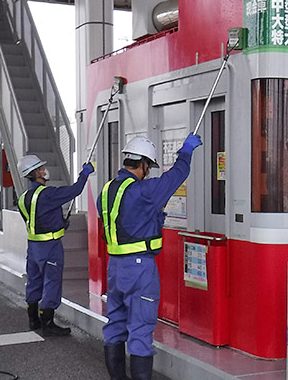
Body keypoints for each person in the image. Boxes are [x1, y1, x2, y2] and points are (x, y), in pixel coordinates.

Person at [99, 133, 202, 380]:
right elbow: (176, 176)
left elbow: (112, 225)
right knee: (141, 328)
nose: (148, 172)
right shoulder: (143, 191)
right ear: (143, 164)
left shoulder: (108, 190)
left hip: (115, 266)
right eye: (148, 167)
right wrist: (186, 152)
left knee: (114, 323)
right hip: (139, 268)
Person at [17, 154, 94, 336]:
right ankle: (48, 323)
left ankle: (33, 319)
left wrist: (59, 222)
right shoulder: (47, 194)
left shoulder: (23, 198)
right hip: (50, 247)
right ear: (35, 173)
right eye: (41, 168)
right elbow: (75, 190)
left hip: (33, 247)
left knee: (34, 281)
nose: (45, 170)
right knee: (52, 281)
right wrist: (85, 174)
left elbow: (38, 219)